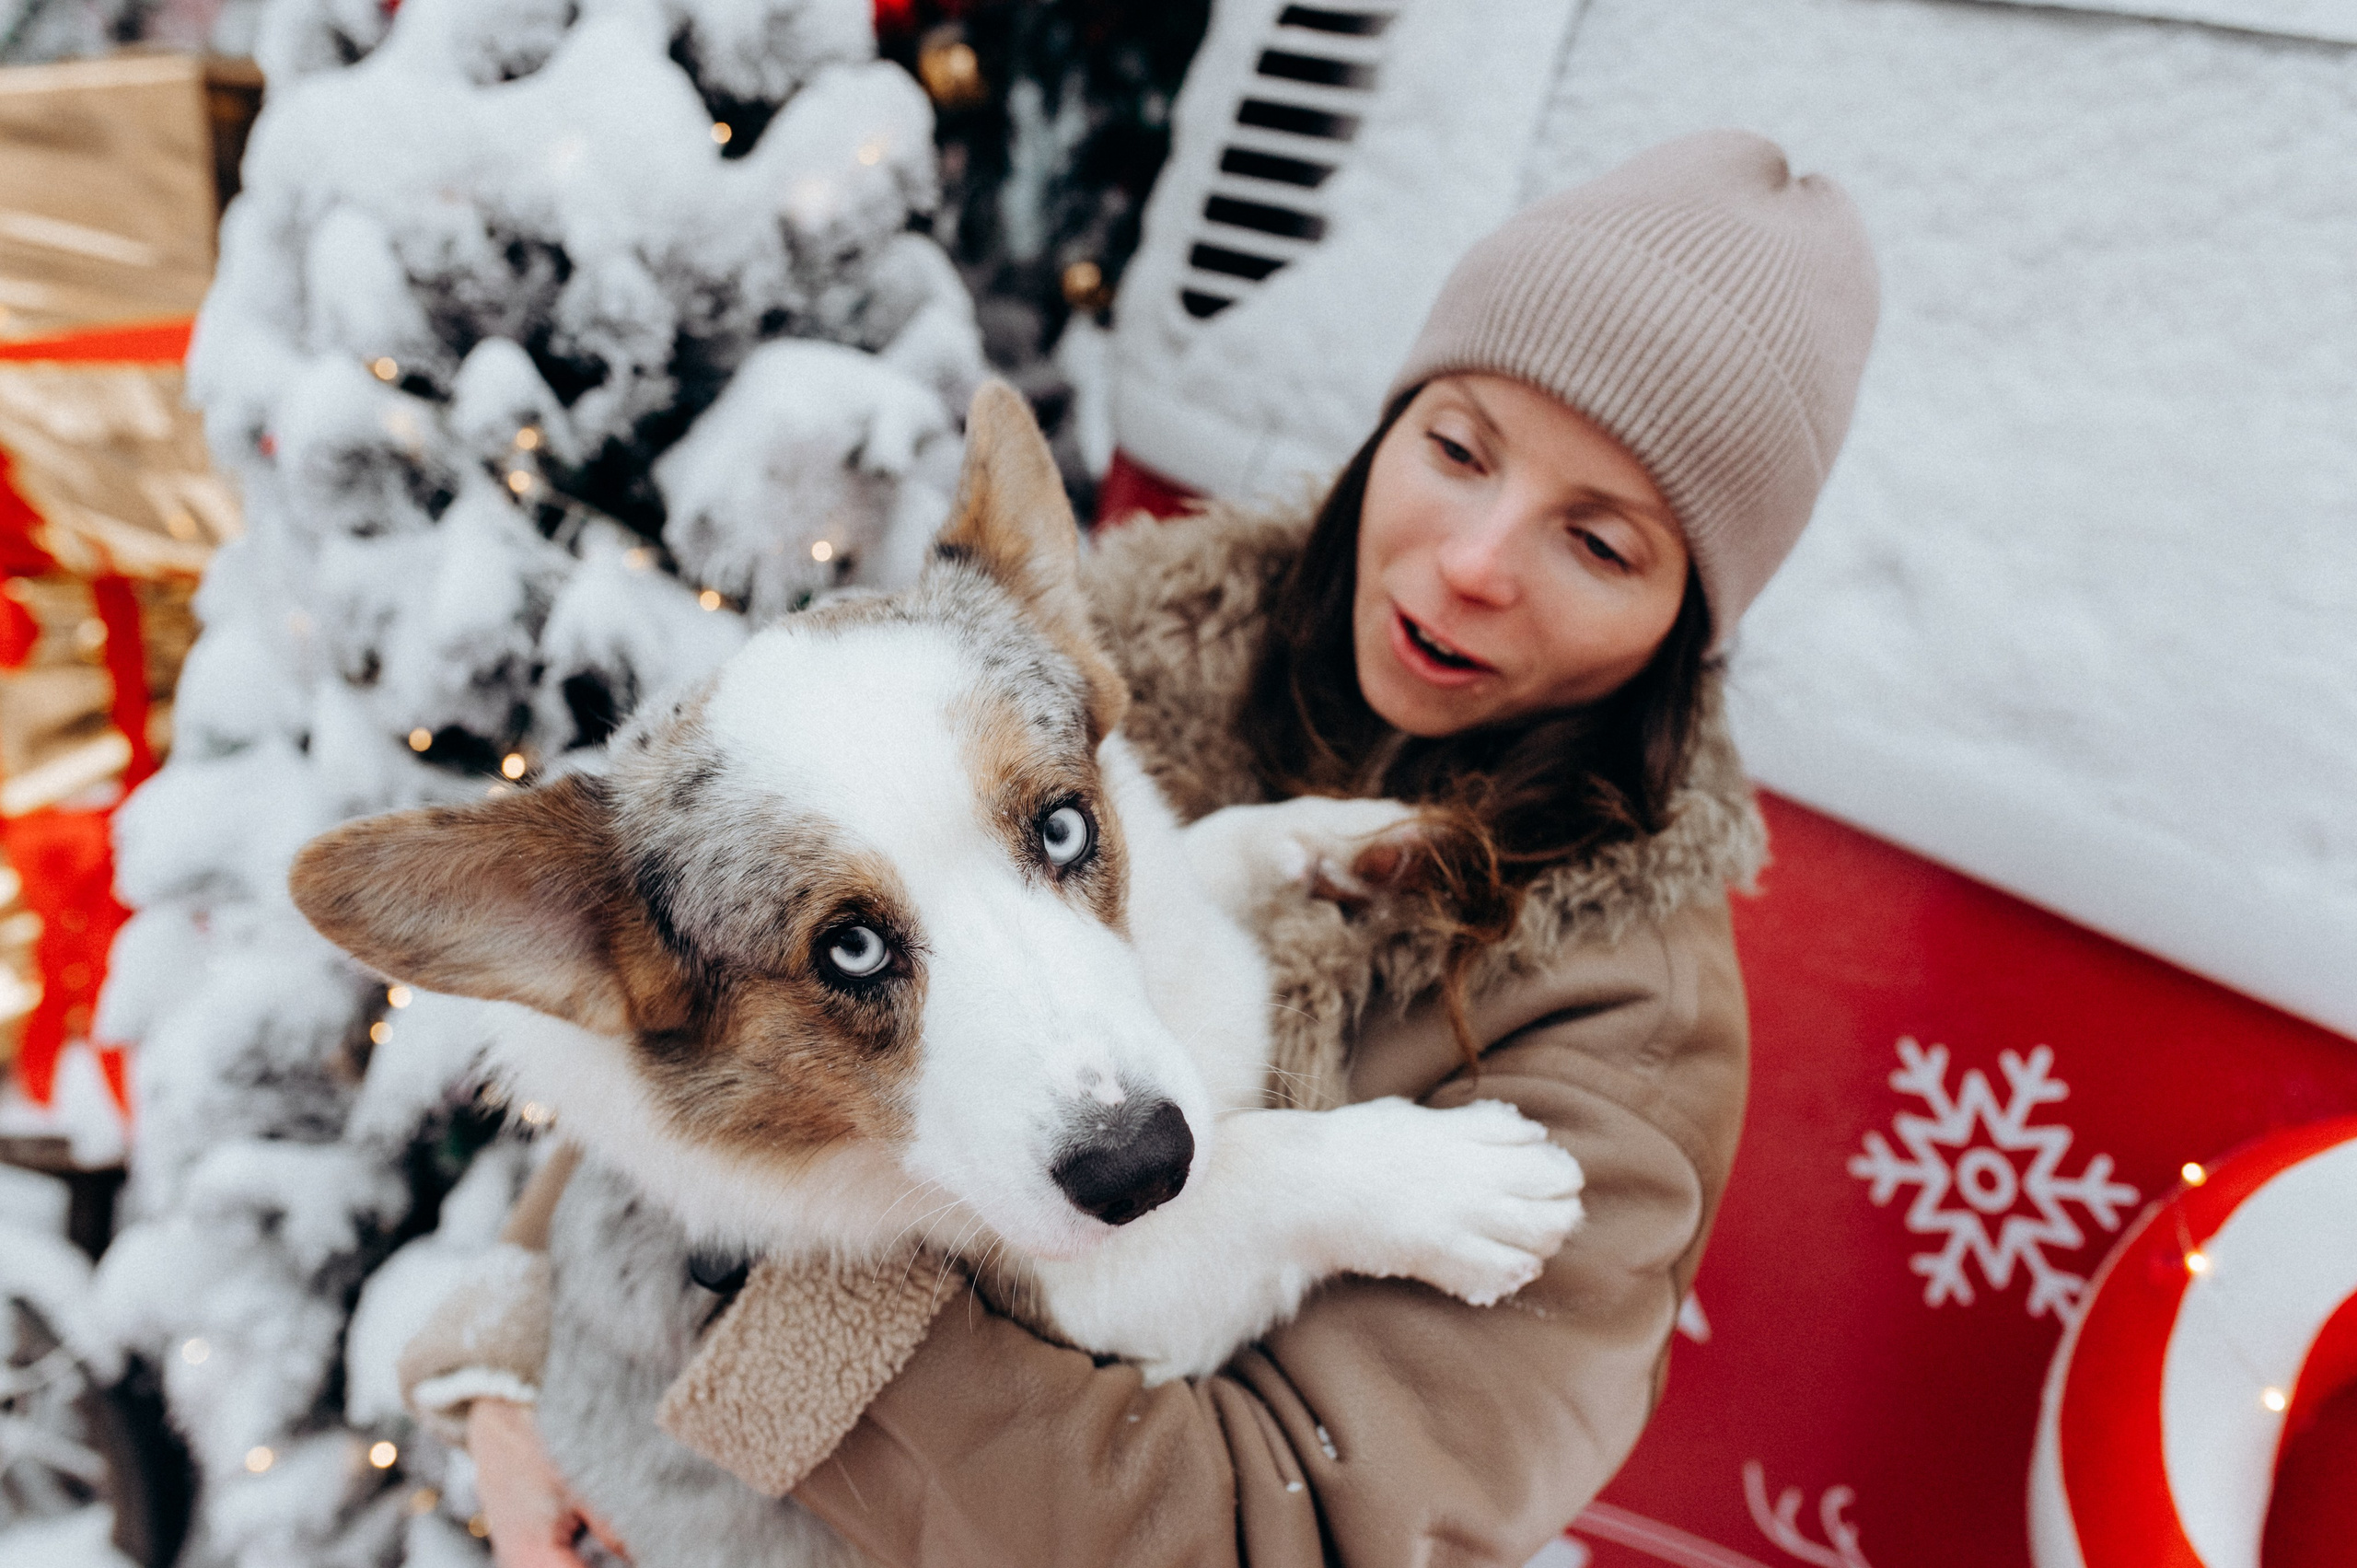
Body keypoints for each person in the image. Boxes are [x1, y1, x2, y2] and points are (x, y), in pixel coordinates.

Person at [413, 127, 1879, 1566]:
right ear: (1391, 427)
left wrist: (766, 1325)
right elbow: (696, 1019)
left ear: (1689, 622)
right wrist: (512, 1361)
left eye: (1601, 540)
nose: (1476, 561)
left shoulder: (1621, 1024)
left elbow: (1274, 1538)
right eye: (1458, 448)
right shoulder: (1064, 663)